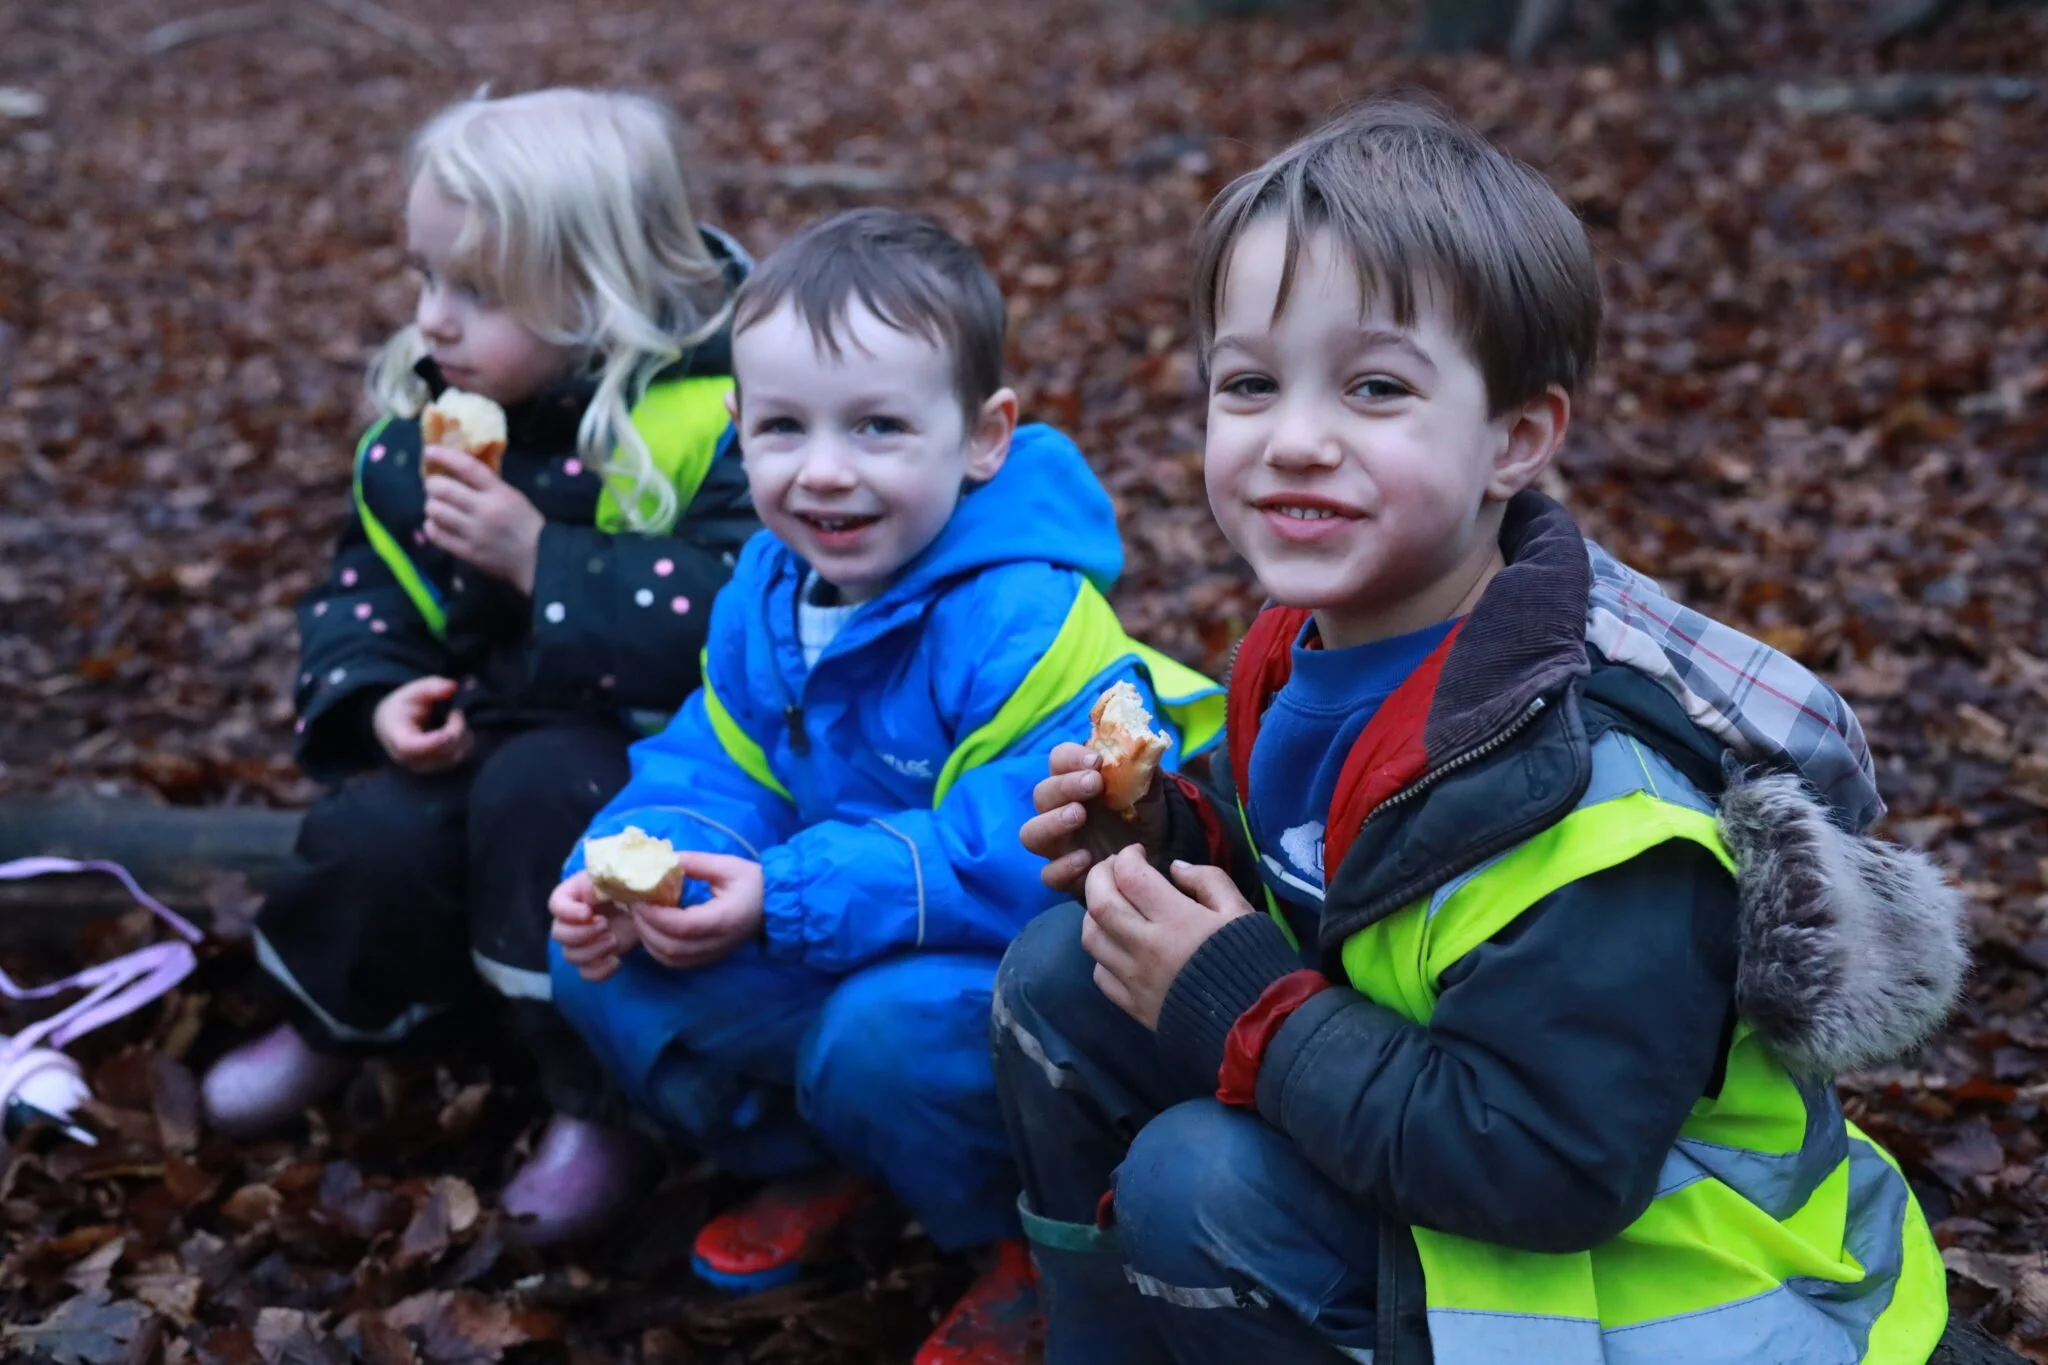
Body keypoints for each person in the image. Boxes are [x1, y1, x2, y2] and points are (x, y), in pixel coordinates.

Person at [996, 100, 1965, 1364]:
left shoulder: (1595, 804)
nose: (1293, 438)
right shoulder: (1310, 646)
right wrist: (1170, 839)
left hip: (1645, 1288)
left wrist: (1243, 1009)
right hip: (1428, 1147)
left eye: (1375, 386)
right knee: (1065, 969)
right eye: (1248, 383)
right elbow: (1327, 886)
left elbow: (1546, 1166)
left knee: (1200, 1182)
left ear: (1516, 439)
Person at [546, 208, 1221, 1362]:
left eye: (876, 427)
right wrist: (632, 865)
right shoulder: (770, 589)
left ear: (980, 437)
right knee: (605, 961)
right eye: (783, 428)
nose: (823, 472)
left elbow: (1037, 848)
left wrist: (788, 895)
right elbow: (716, 762)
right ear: (735, 430)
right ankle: (819, 1163)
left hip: (1001, 977)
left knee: (881, 1036)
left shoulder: (1022, 616)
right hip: (830, 911)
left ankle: (1016, 1241)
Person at [200, 88, 757, 1245]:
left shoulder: (716, 414)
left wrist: (540, 558)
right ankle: (333, 1019)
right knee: (375, 831)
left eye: (478, 293)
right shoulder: (435, 413)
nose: (432, 322)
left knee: (543, 803)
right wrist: (375, 688)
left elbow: (731, 611)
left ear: (601, 288)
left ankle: (591, 1099)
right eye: (426, 278)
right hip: (483, 717)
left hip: (647, 746)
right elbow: (367, 585)